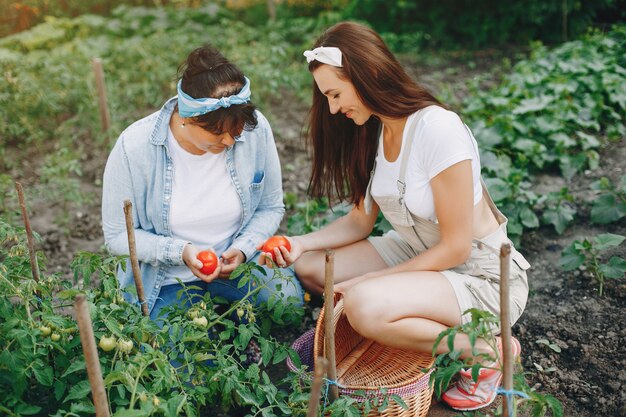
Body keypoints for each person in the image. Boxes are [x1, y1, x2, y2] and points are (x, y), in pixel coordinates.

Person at [258, 22, 530, 411]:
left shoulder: (437, 129)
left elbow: (455, 247)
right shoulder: (375, 130)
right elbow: (359, 222)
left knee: (364, 304)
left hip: (478, 273)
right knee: (314, 268)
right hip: (417, 250)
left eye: (335, 94)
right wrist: (300, 243)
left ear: (364, 74)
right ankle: (404, 320)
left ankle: (487, 352)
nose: (333, 108)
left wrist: (373, 280)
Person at [102, 44, 303, 323]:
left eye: (237, 130)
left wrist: (244, 249)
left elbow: (270, 207)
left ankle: (234, 331)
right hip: (168, 278)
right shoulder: (134, 148)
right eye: (219, 134)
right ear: (188, 119)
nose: (231, 141)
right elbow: (116, 236)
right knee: (178, 358)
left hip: (237, 267)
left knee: (288, 303)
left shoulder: (256, 130)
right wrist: (181, 252)